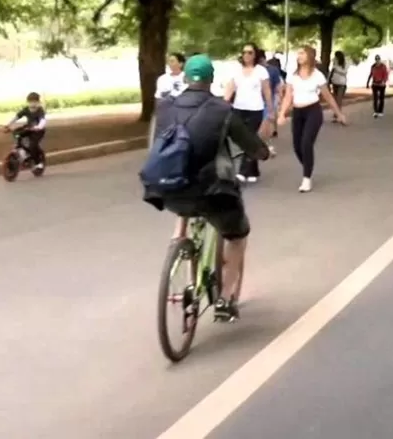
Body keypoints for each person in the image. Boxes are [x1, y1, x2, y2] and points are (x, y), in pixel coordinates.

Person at [143, 54, 270, 322]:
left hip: (166, 190)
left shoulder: (164, 107)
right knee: (237, 236)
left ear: (185, 77)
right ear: (211, 79)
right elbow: (252, 147)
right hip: (212, 193)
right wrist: (263, 152)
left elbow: (156, 146)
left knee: (185, 192)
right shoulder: (221, 110)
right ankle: (225, 299)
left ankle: (179, 241)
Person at [278, 46, 347, 192]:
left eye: (302, 53)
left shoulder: (317, 75)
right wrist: (282, 113)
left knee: (306, 142)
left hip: (313, 111)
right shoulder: (293, 76)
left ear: (309, 56)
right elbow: (288, 96)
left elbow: (328, 96)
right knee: (297, 147)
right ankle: (308, 166)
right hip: (298, 112)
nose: (299, 56)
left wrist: (339, 114)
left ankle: (306, 178)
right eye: (298, 54)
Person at [222, 43, 274, 183]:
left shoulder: (261, 71)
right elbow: (230, 88)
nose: (247, 55)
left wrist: (270, 110)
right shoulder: (237, 70)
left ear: (255, 54)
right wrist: (223, 104)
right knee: (243, 139)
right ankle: (253, 171)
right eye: (244, 52)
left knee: (249, 138)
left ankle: (242, 171)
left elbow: (267, 91)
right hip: (238, 108)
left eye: (250, 52)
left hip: (255, 109)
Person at [4, 92, 47, 171]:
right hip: (29, 128)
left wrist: (39, 127)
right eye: (30, 102)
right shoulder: (26, 109)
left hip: (38, 131)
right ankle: (23, 153)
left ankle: (39, 163)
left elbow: (43, 120)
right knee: (17, 133)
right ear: (28, 102)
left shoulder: (40, 110)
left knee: (32, 146)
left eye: (34, 102)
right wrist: (8, 125)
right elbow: (17, 117)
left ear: (38, 102)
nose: (32, 104)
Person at [328, 51, 349, 120]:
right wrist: (329, 79)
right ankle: (336, 114)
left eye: (336, 56)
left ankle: (338, 115)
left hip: (342, 83)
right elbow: (332, 71)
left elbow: (344, 72)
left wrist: (336, 69)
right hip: (335, 82)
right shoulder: (335, 62)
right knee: (335, 99)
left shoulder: (345, 63)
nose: (335, 58)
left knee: (339, 99)